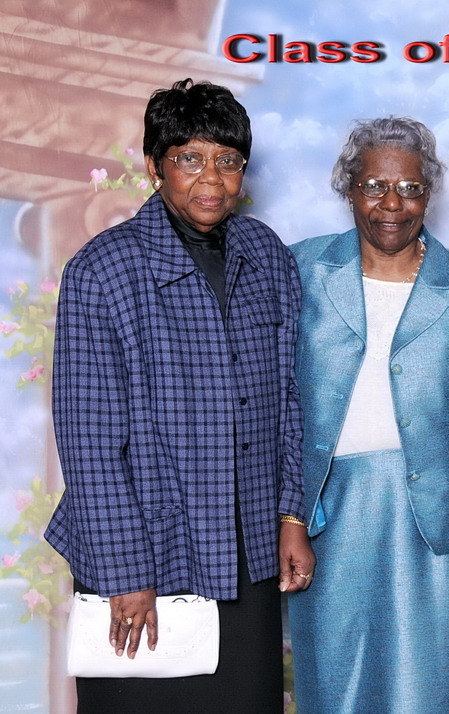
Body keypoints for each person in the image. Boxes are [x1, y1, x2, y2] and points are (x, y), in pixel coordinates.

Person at [45, 78, 314, 713]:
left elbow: (291, 399)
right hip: (145, 549)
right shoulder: (102, 270)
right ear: (154, 166)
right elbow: (88, 441)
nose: (211, 178)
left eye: (228, 159)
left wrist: (290, 517)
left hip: (246, 551)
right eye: (190, 158)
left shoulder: (267, 256)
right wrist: (124, 573)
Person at [287, 117, 449, 713]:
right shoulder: (299, 271)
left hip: (440, 534)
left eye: (411, 188)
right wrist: (288, 515)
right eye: (374, 186)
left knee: (431, 695)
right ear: (348, 188)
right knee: (334, 695)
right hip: (325, 525)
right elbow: (274, 405)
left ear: (429, 194)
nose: (392, 204)